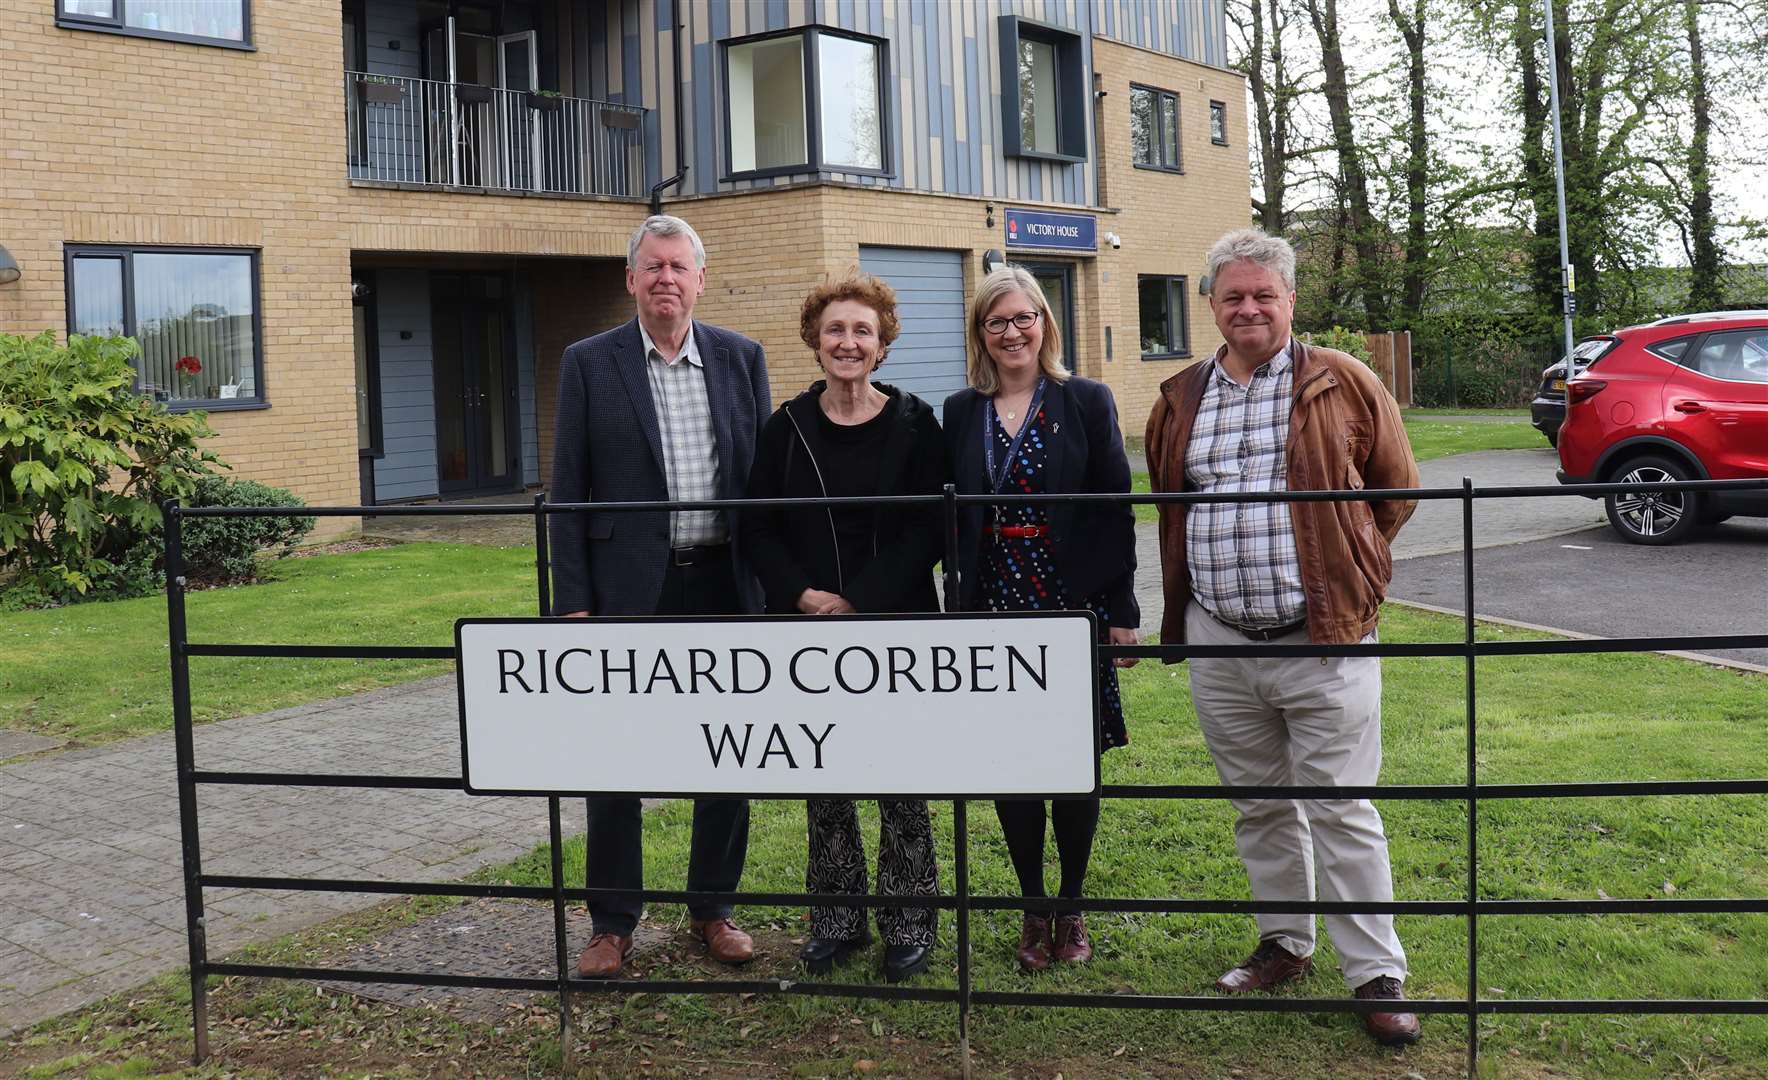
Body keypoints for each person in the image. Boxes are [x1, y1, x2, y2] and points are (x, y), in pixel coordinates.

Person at [1144, 228, 1422, 1045]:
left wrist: (1354, 570)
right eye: (1233, 296)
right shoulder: (1179, 397)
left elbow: (1395, 491)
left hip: (1323, 636)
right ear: (1211, 305)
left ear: (1291, 299)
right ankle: (1285, 943)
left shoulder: (1343, 379)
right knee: (1259, 805)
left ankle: (1376, 972)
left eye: (1264, 294)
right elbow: (1174, 506)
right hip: (1219, 637)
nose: (1249, 308)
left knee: (1340, 807)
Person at [549, 214, 771, 979]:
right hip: (624, 593)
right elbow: (566, 491)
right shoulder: (589, 362)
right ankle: (611, 922)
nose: (667, 279)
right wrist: (572, 606)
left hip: (723, 584)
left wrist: (770, 591)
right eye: (654, 268)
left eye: (680, 267)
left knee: (729, 752)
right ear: (632, 280)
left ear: (701, 279)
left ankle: (713, 908)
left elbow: (762, 490)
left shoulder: (742, 359)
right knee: (614, 756)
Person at [742, 273, 947, 983]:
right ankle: (836, 922)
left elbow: (930, 531)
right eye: (836, 330)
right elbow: (757, 525)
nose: (848, 342)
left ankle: (909, 925)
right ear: (815, 340)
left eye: (863, 330)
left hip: (896, 627)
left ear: (883, 342)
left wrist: (856, 598)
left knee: (901, 780)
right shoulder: (786, 427)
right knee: (824, 777)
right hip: (805, 636)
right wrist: (802, 595)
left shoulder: (918, 423)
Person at [944, 266, 1140, 973]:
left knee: (1072, 762)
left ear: (1044, 325)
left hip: (1070, 603)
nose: (1012, 332)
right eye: (997, 321)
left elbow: (1115, 508)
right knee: (1013, 762)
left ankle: (1072, 903)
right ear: (982, 334)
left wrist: (1121, 611)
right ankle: (1032, 905)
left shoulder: (1084, 399)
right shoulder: (961, 411)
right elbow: (953, 520)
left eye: (1024, 318)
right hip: (994, 603)